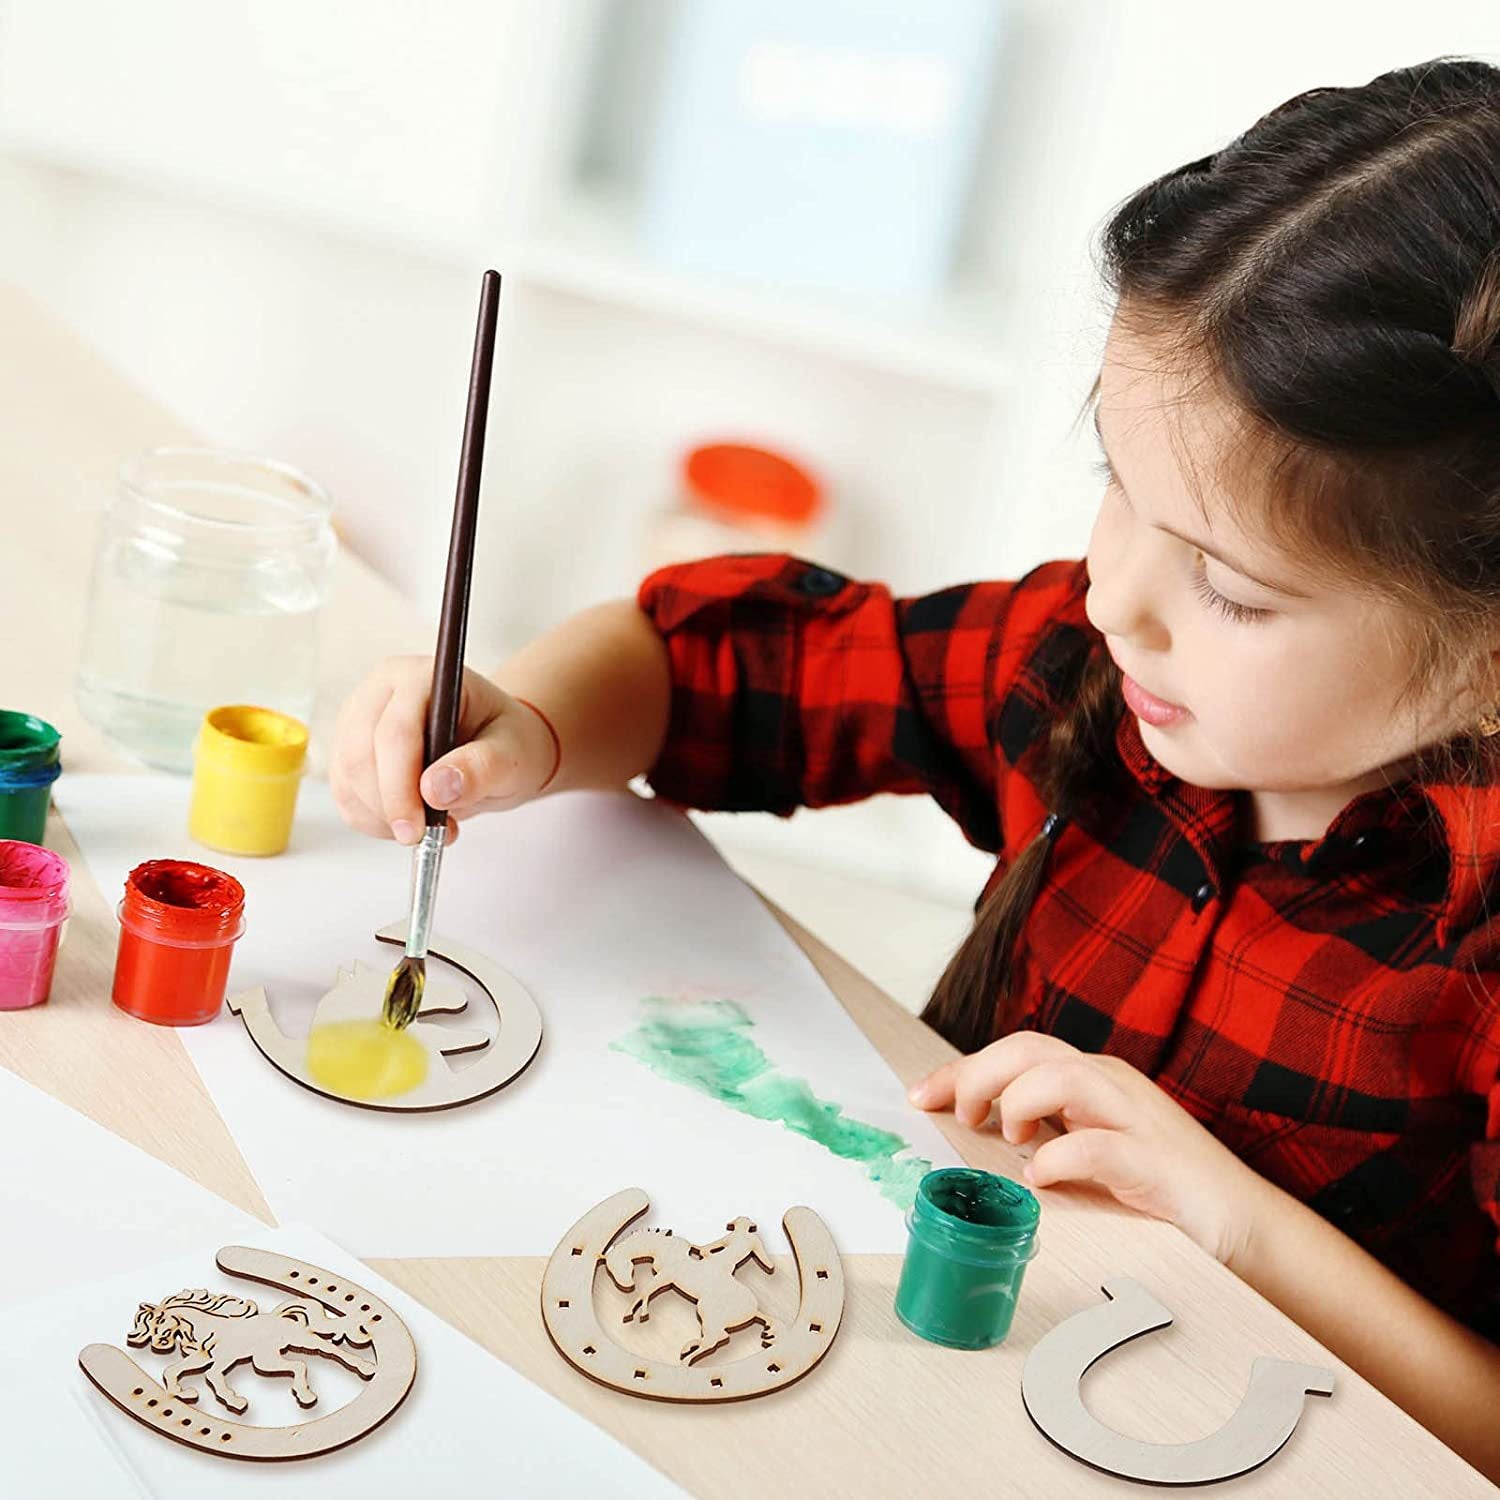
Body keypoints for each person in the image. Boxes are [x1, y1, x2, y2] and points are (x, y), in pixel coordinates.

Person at [331, 58, 1500, 1476]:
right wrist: (533, 720)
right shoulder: (1093, 667)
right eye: (1118, 485)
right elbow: (717, 668)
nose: (1117, 593)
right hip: (890, 1400)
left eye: (1233, 589)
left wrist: (1237, 1221)